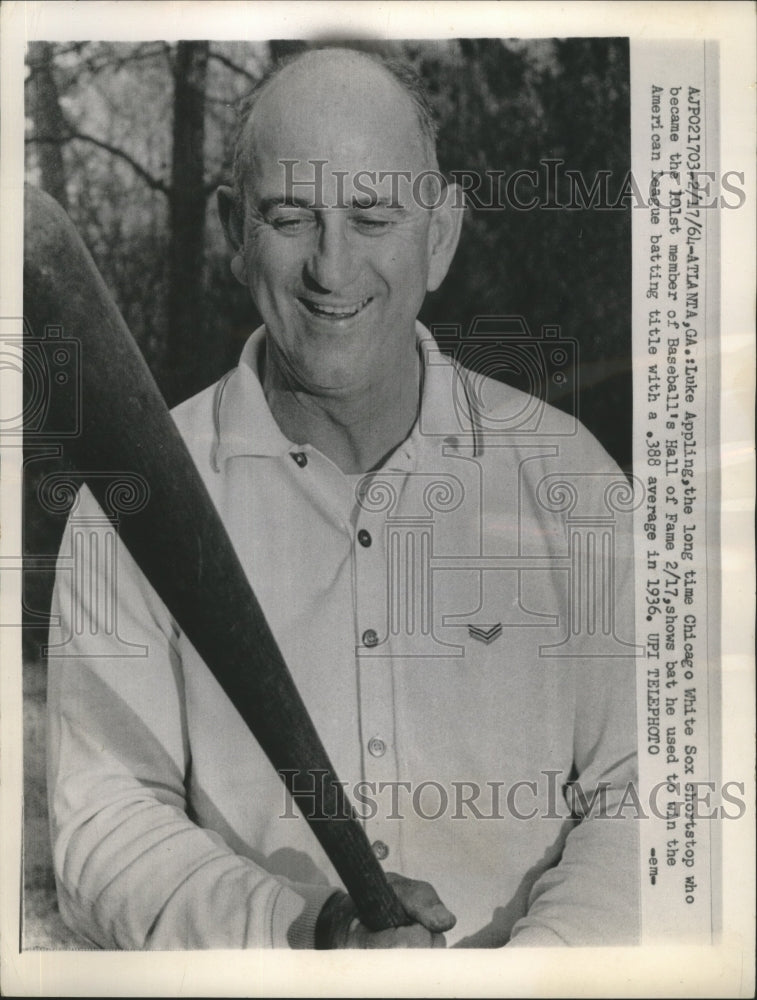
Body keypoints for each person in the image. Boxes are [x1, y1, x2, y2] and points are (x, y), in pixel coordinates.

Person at [46, 47, 640, 949]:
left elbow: (648, 791)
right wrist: (307, 933)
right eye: (291, 217)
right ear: (231, 230)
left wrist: (527, 974)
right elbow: (106, 823)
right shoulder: (126, 511)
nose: (332, 266)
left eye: (372, 217)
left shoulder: (572, 483)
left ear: (438, 235)